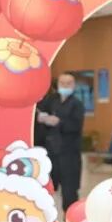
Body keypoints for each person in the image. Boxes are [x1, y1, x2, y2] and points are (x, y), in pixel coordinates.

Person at [40, 73, 84, 212]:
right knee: (48, 187)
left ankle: (70, 216)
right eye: (62, 83)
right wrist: (42, 118)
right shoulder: (52, 100)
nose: (65, 86)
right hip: (52, 151)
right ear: (58, 84)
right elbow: (40, 112)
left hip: (69, 153)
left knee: (69, 190)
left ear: (73, 85)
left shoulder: (77, 104)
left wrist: (59, 122)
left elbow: (76, 125)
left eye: (68, 83)